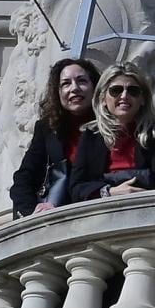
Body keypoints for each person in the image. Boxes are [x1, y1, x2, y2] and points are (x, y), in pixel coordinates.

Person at [59, 62, 155, 203]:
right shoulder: (91, 136)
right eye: (116, 90)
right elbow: (76, 187)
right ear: (103, 99)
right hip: (101, 214)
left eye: (132, 91)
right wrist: (109, 192)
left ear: (142, 99)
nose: (124, 96)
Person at [9, 56, 96, 217]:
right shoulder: (47, 129)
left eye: (82, 81)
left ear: (94, 87)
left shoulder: (109, 128)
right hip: (52, 219)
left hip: (92, 213)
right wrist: (32, 214)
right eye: (66, 83)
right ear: (57, 92)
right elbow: (24, 178)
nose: (74, 88)